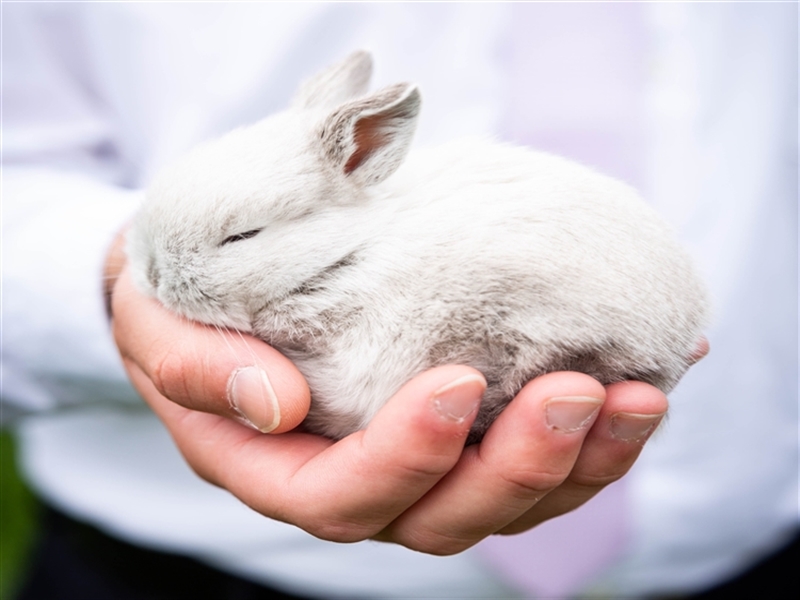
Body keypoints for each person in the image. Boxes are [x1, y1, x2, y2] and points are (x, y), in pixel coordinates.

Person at [3, 2, 794, 599]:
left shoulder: (391, 223)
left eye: (240, 239)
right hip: (177, 563)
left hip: (750, 525)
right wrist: (103, 277)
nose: (159, 280)